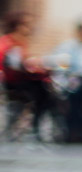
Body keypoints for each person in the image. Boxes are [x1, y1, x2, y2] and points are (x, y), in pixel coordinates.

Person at [0, 12, 57, 142]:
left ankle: (36, 125)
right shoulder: (9, 43)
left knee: (45, 89)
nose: (30, 28)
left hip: (20, 80)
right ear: (17, 26)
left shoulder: (20, 43)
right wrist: (30, 66)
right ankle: (35, 126)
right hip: (12, 83)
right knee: (44, 93)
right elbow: (13, 65)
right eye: (26, 25)